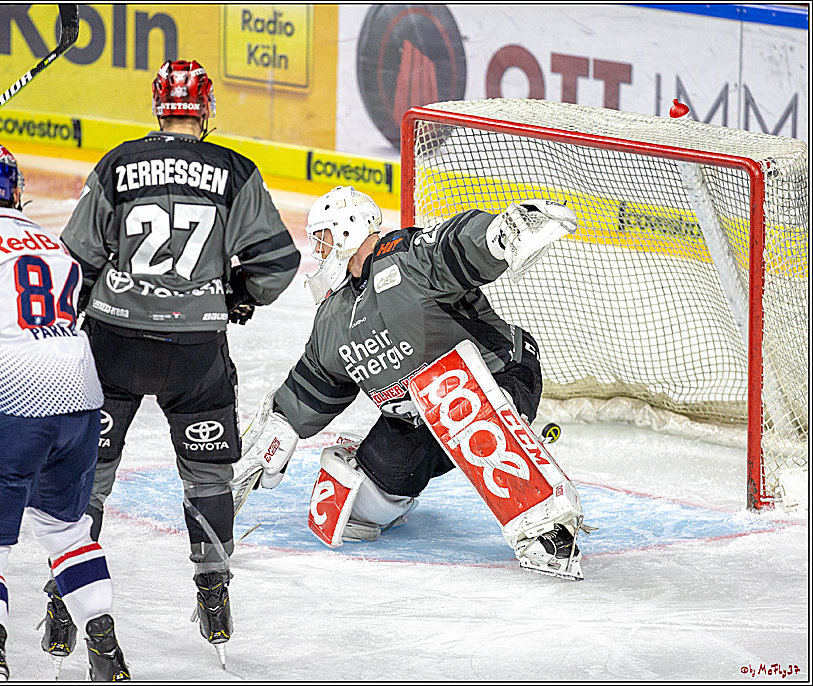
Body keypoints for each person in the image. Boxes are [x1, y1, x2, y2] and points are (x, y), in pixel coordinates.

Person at [56, 59, 300, 664]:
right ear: (205, 109)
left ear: (158, 107)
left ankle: (64, 599)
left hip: (114, 344)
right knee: (209, 476)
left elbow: (74, 260)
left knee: (90, 474)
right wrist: (236, 294)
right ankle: (213, 589)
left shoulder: (118, 163)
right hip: (194, 354)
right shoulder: (235, 170)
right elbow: (277, 264)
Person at [233, 185, 591, 580]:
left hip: (497, 376)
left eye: (324, 238)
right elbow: (316, 380)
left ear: (349, 228)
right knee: (362, 510)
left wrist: (497, 235)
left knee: (460, 405)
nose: (319, 251)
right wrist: (279, 429)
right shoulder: (333, 316)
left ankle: (547, 529)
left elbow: (453, 246)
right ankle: (391, 484)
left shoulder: (404, 257)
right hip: (418, 415)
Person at [0, 144, 131, 681]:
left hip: (13, 402)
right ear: (15, 190)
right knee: (66, 531)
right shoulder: (49, 240)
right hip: (81, 396)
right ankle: (106, 648)